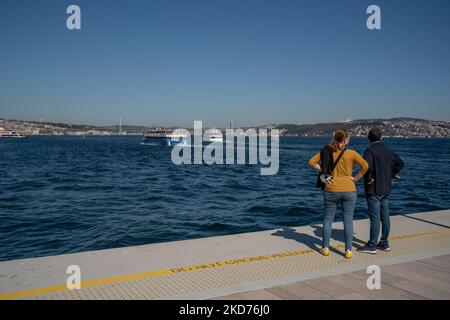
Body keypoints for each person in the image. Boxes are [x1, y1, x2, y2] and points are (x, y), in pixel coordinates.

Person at [309, 129, 368, 259]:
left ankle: (325, 248)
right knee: (348, 220)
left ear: (335, 139)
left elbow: (312, 162)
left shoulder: (326, 151)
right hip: (349, 189)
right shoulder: (351, 153)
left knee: (328, 218)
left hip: (330, 188)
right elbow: (365, 166)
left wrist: (323, 171)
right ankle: (348, 250)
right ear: (346, 140)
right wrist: (356, 178)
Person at [357, 128, 404, 254]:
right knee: (385, 217)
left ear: (368, 138)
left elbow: (366, 167)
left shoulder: (369, 151)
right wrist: (393, 173)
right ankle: (384, 243)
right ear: (381, 137)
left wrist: (370, 178)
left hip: (373, 189)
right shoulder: (387, 150)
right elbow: (400, 162)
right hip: (386, 188)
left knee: (375, 218)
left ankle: (372, 245)